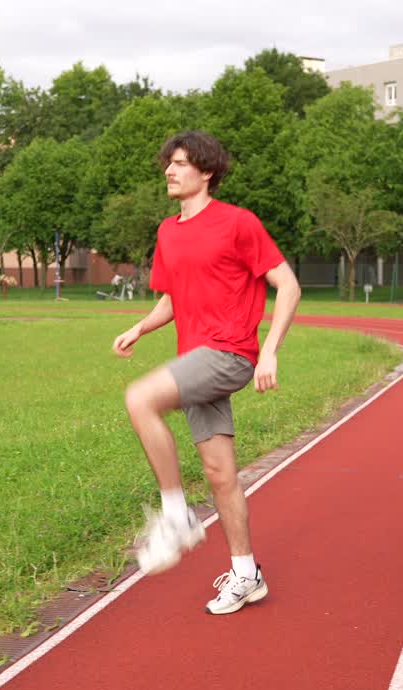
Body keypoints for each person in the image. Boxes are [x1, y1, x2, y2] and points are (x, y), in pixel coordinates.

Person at [112, 130, 301, 615]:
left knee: (140, 398)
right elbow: (172, 299)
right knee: (221, 475)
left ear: (207, 171)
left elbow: (288, 285)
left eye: (179, 164)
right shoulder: (167, 231)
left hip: (229, 353)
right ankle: (246, 574)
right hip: (195, 358)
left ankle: (176, 515)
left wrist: (270, 352)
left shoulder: (237, 223)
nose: (169, 172)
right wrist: (140, 328)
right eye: (167, 165)